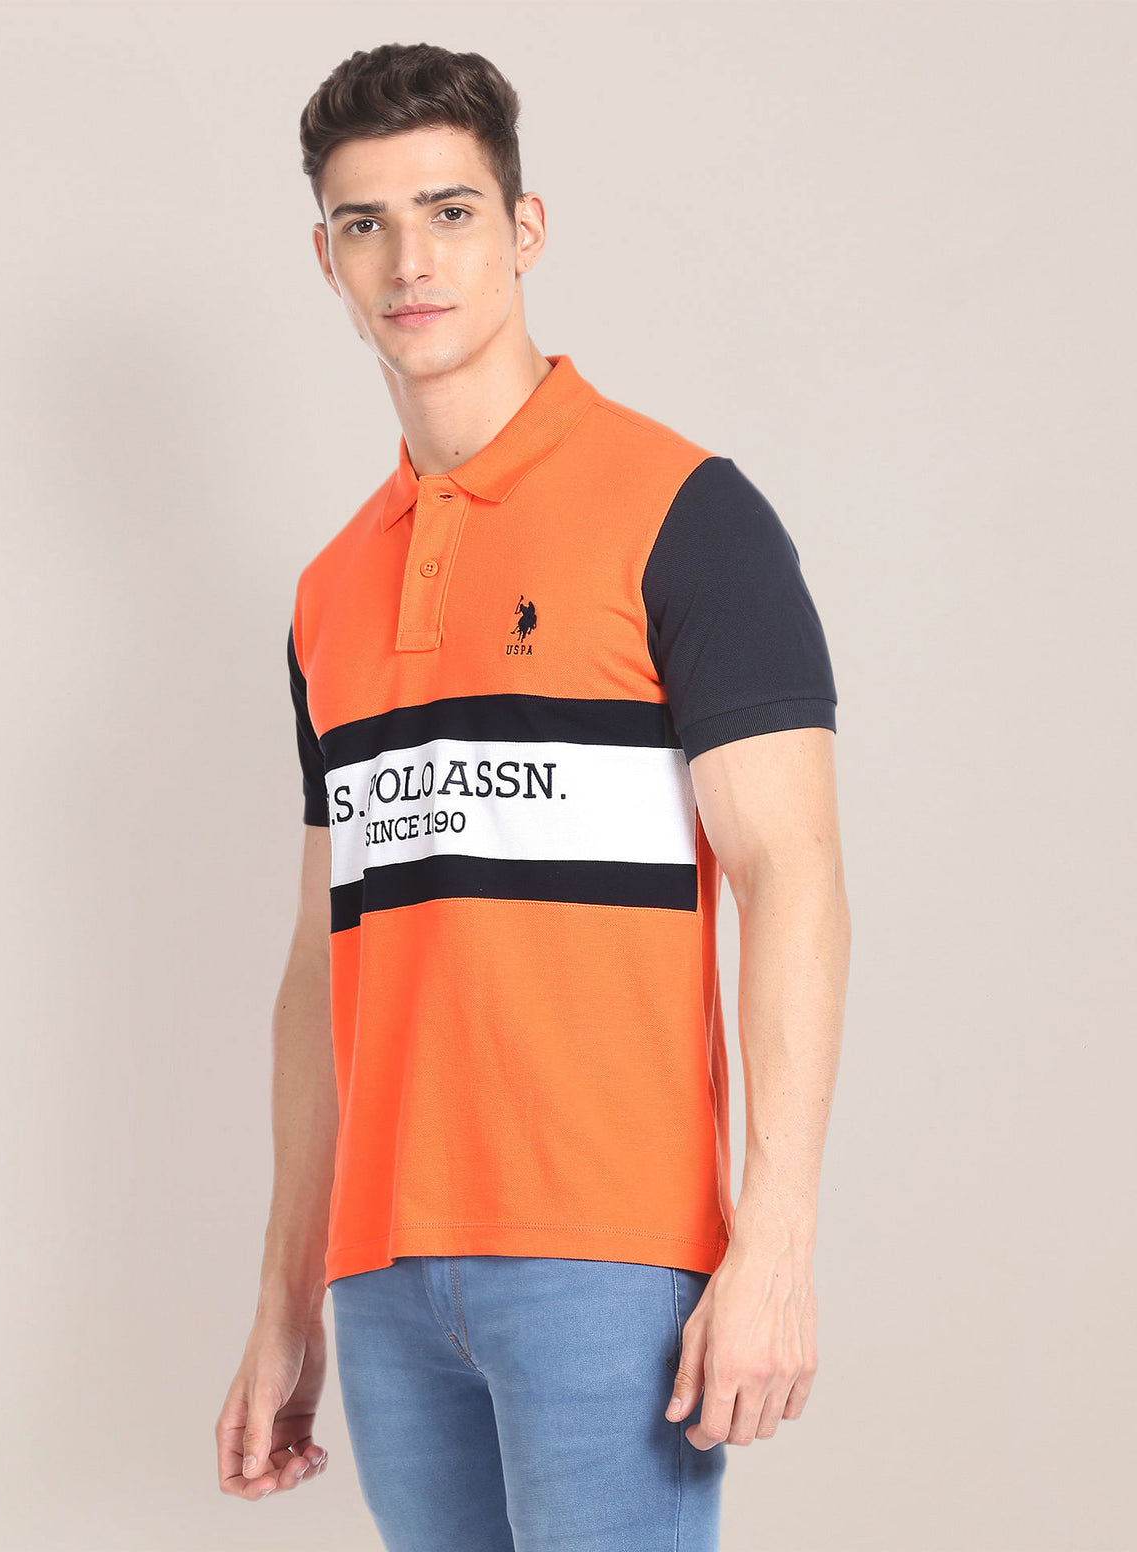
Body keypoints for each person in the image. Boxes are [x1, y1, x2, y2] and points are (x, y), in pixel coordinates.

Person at [215, 40, 850, 1552]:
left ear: (525, 228)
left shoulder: (683, 512)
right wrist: (286, 1298)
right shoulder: (328, 593)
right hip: (383, 1277)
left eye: (449, 211)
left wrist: (774, 1240)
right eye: (365, 223)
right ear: (325, 257)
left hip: (606, 1252)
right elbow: (320, 963)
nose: (410, 260)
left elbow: (794, 876)